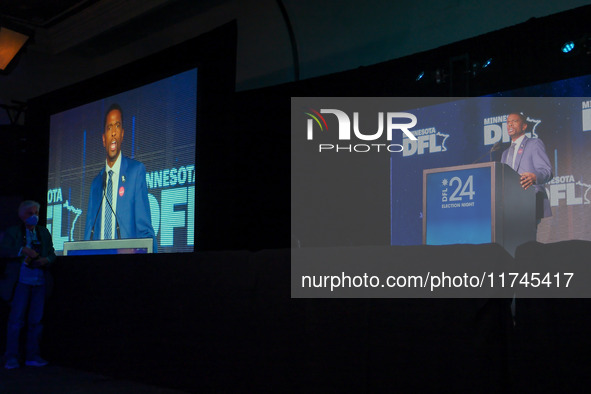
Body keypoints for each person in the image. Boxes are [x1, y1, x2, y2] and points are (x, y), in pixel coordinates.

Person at [84, 103, 156, 250]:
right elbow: (88, 235)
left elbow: (145, 231)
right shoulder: (96, 183)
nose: (113, 133)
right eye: (109, 127)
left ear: (122, 134)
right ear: (104, 139)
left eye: (117, 126)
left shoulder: (135, 172)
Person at [0, 200, 56, 369]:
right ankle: (11, 357)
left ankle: (33, 356)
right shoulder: (13, 232)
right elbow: (3, 251)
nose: (34, 216)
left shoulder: (43, 232)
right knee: (16, 321)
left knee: (36, 322)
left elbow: (52, 252)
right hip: (20, 283)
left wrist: (46, 260)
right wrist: (22, 250)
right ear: (22, 215)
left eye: (36, 213)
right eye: (30, 213)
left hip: (39, 282)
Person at [501, 112, 553, 222]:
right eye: (508, 122)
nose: (510, 124)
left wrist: (534, 177)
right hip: (509, 205)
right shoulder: (505, 153)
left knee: (527, 239)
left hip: (530, 200)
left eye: (514, 121)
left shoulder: (534, 143)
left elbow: (547, 171)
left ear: (524, 126)